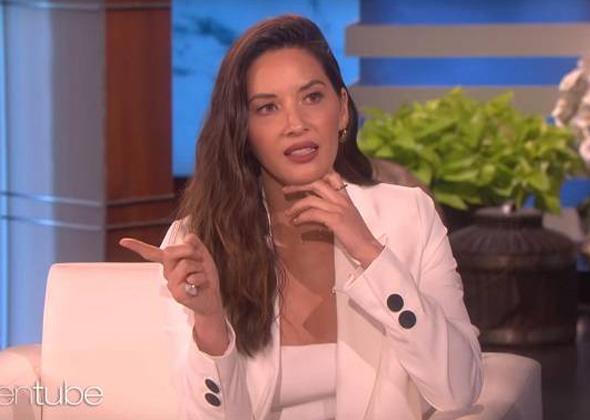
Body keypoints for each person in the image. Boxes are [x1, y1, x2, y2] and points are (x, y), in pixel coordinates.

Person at [120, 15, 482, 420]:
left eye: (312, 98)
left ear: (342, 110)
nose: (296, 124)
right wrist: (210, 320)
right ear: (243, 131)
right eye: (267, 108)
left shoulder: (408, 217)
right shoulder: (199, 241)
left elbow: (459, 390)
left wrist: (370, 253)